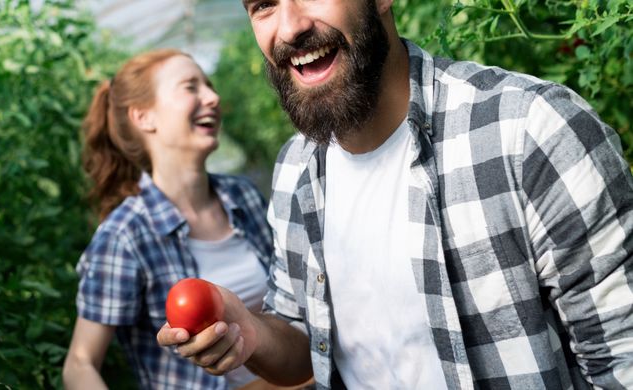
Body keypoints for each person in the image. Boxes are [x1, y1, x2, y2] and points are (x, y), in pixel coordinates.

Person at [157, 0, 633, 389]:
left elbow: (621, 362)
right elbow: (308, 350)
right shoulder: (294, 172)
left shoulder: (530, 133)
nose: (291, 27)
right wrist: (248, 329)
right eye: (263, 6)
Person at [62, 49, 292, 389]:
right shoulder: (126, 234)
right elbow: (79, 364)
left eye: (209, 86)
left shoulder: (241, 196)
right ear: (144, 117)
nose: (213, 97)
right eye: (191, 87)